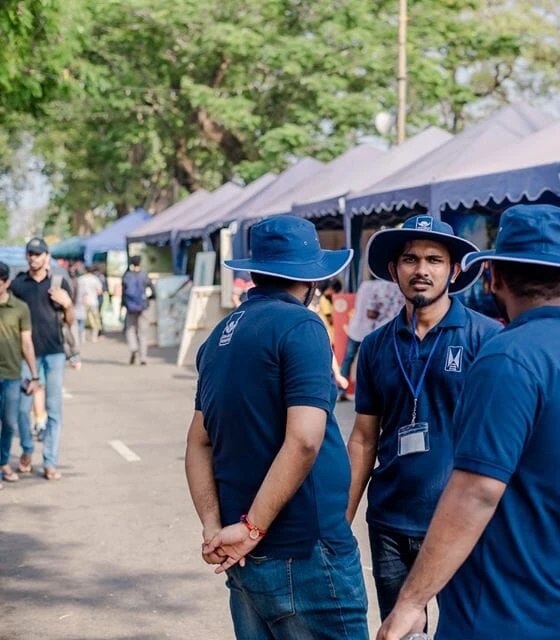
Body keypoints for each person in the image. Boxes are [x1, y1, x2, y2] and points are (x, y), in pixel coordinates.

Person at [377, 204, 560, 640]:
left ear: (494, 276)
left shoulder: (507, 355)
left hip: (502, 616)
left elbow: (476, 492)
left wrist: (411, 601)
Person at [185, 215, 368, 639]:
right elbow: (304, 439)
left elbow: (198, 443)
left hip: (245, 553)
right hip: (302, 552)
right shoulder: (302, 325)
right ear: (312, 281)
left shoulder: (219, 337)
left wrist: (215, 525)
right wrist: (252, 529)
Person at [346, 214, 500, 624]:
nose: (421, 270)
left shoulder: (486, 338)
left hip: (462, 524)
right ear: (394, 270)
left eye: (434, 259)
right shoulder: (377, 346)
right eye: (410, 259)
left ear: (452, 270)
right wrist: (340, 520)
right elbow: (363, 438)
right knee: (400, 631)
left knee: (466, 633)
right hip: (389, 522)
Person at [10, 237, 75, 481]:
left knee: (53, 409)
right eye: (30, 253)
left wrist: (67, 305)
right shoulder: (18, 284)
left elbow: (69, 321)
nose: (33, 257)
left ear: (47, 256)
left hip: (55, 352)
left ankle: (49, 462)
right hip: (26, 356)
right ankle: (27, 449)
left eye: (38, 253)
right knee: (21, 408)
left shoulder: (58, 282)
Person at [0, 261, 40, 485]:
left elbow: (26, 343)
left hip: (12, 375)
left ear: (6, 282)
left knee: (8, 423)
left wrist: (34, 375)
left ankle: (4, 462)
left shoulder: (20, 308)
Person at [338, 277, 405, 396]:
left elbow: (370, 312)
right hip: (385, 330)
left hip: (358, 327)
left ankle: (341, 390)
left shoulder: (368, 285)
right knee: (379, 362)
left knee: (350, 358)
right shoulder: (400, 287)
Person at [121, 255, 153, 365]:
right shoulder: (144, 275)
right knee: (143, 332)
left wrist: (123, 305)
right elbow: (153, 290)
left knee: (130, 329)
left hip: (130, 308)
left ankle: (133, 347)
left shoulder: (127, 276)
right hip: (143, 306)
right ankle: (143, 357)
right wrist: (149, 299)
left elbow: (123, 293)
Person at [75, 264, 104, 343]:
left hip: (82, 302)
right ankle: (94, 337)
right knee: (95, 320)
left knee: (83, 321)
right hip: (93, 301)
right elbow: (99, 291)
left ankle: (82, 338)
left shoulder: (80, 279)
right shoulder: (95, 279)